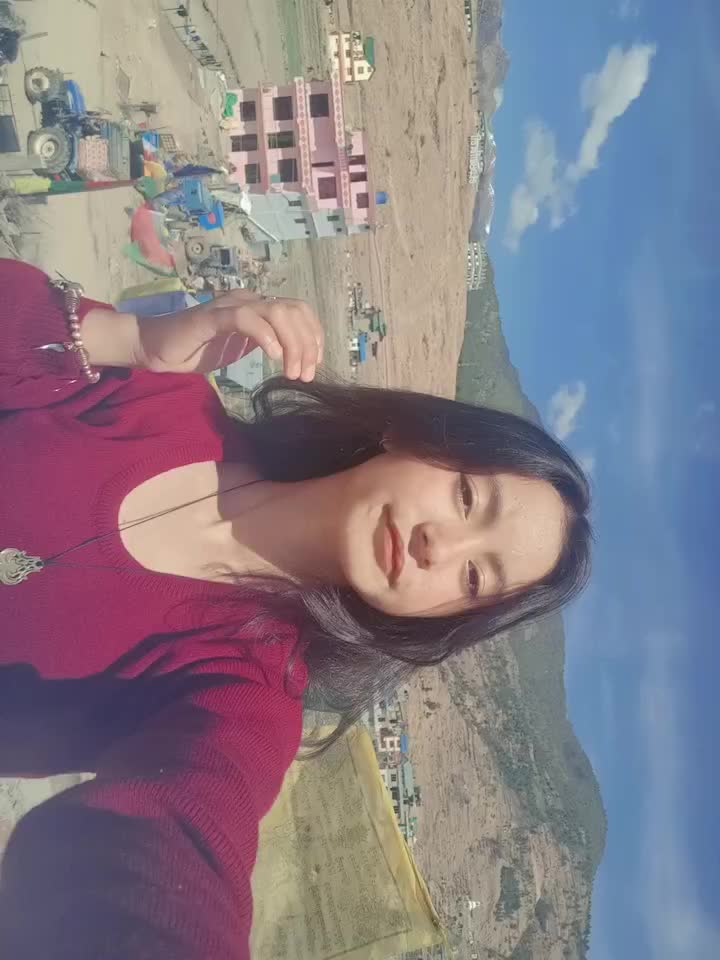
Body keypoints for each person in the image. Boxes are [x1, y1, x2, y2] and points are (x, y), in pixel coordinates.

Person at [0, 258, 591, 957]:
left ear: (440, 619)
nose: (439, 545)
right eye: (467, 498)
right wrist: (130, 340)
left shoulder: (246, 696)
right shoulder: (161, 396)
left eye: (472, 578)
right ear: (414, 440)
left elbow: (180, 842)